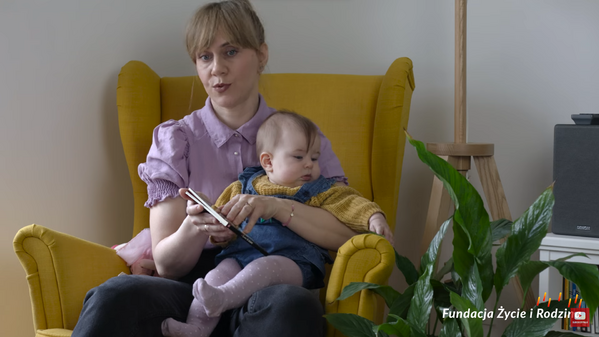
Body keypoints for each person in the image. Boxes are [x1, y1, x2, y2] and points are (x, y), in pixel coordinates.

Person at [71, 1, 388, 336]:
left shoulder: (302, 141)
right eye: (205, 56)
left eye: (231, 51)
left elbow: (348, 235)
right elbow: (166, 263)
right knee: (113, 296)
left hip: (273, 284)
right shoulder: (176, 139)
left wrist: (277, 207)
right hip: (192, 290)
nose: (216, 69)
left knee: (293, 307)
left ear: (262, 55)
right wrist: (196, 227)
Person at [161, 110, 394, 337]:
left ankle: (222, 299)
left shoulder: (321, 190)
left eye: (314, 158)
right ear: (268, 161)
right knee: (215, 276)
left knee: (263, 267)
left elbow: (353, 204)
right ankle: (197, 328)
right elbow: (223, 220)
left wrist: (374, 217)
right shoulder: (242, 186)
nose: (309, 165)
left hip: (293, 262)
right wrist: (218, 231)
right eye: (299, 157)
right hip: (240, 256)